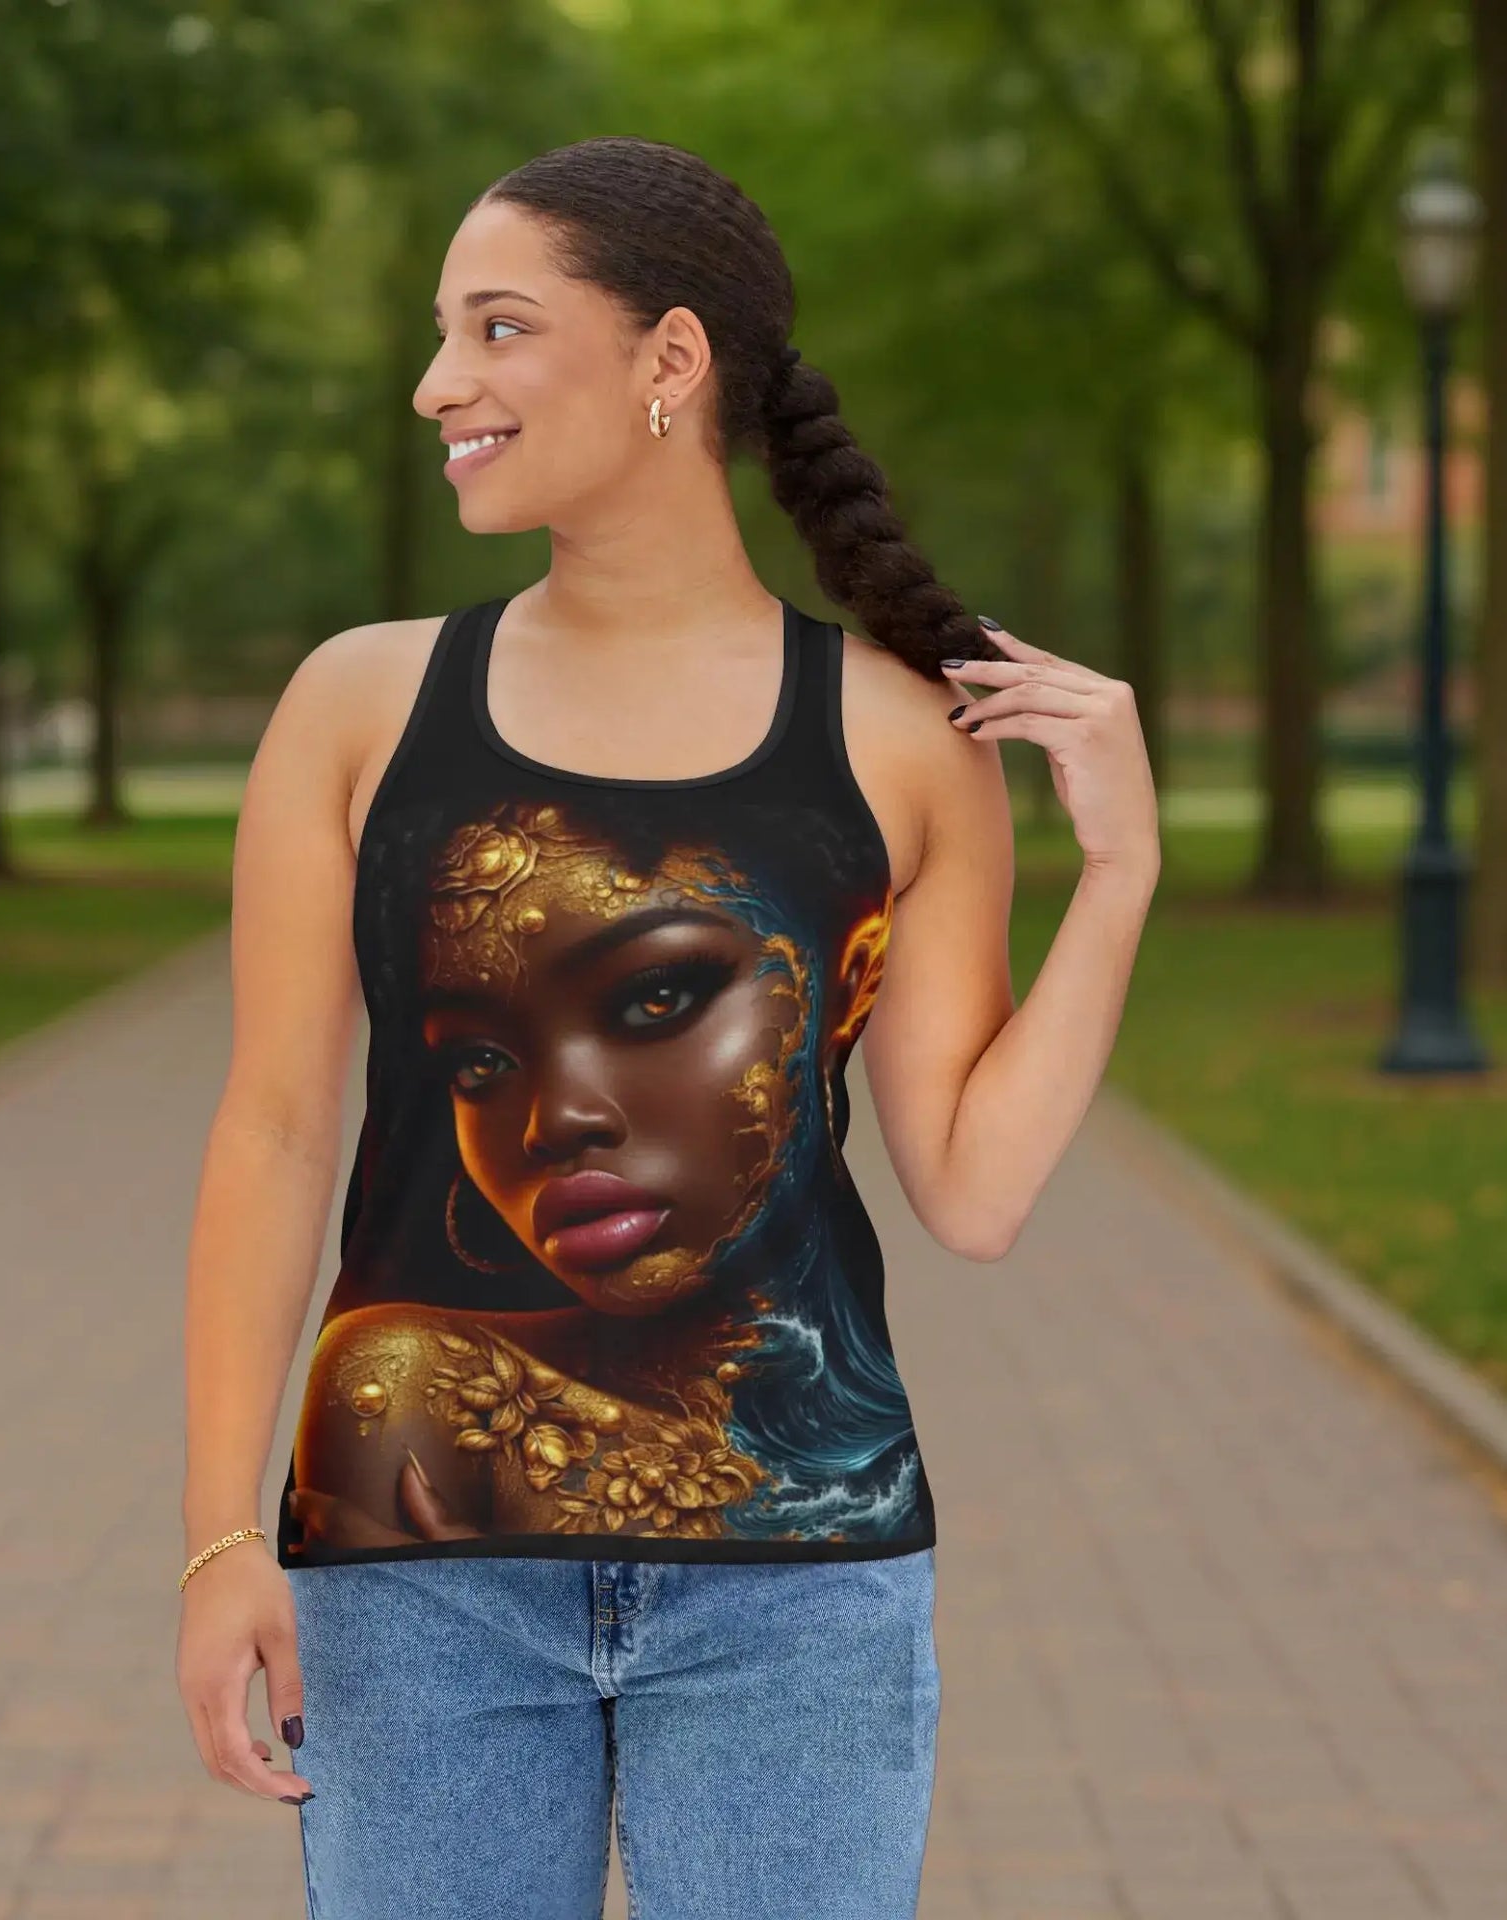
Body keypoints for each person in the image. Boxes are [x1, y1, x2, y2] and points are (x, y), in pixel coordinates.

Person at [175, 133, 1160, 1920]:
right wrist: (221, 1537)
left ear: (669, 362)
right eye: (440, 333)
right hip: (413, 1579)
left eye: (495, 327)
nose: (437, 384)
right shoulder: (359, 706)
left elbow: (978, 1191)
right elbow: (274, 1133)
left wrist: (1123, 876)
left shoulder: (897, 740)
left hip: (799, 1590)